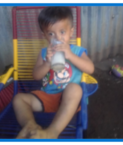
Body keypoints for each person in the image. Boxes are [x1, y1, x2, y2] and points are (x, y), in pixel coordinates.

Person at [13, 6, 94, 139]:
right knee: (19, 99)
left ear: (71, 32)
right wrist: (46, 63)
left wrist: (70, 55)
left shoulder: (78, 51)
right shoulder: (44, 53)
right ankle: (30, 125)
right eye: (51, 33)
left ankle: (52, 132)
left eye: (62, 32)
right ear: (44, 35)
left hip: (68, 99)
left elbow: (90, 69)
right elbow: (36, 76)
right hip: (48, 97)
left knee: (75, 88)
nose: (57, 37)